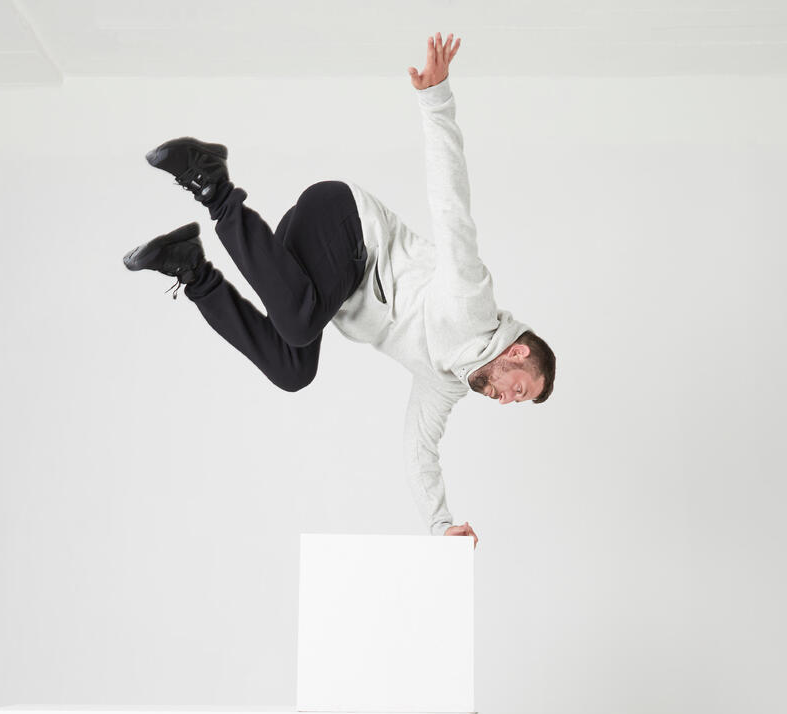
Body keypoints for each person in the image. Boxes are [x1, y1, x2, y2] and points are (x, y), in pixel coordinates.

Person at [123, 32, 557, 548]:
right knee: (300, 322)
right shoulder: (473, 303)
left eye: (516, 402)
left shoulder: (446, 383)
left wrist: (441, 528)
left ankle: (190, 268)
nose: (507, 400)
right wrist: (436, 101)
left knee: (293, 370)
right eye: (520, 389)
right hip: (343, 221)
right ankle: (212, 184)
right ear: (518, 352)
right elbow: (451, 207)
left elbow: (419, 450)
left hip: (313, 276)